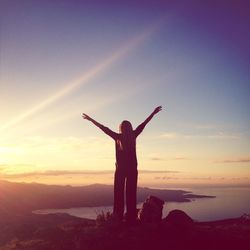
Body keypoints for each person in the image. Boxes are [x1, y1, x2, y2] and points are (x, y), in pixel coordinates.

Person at [82, 106, 162, 222]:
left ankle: (117, 217)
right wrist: (153, 113)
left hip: (120, 170)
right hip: (133, 169)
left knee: (118, 193)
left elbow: (103, 128)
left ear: (121, 128)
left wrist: (91, 120)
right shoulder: (134, 135)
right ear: (130, 128)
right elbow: (144, 123)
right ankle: (131, 218)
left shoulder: (117, 137)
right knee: (131, 193)